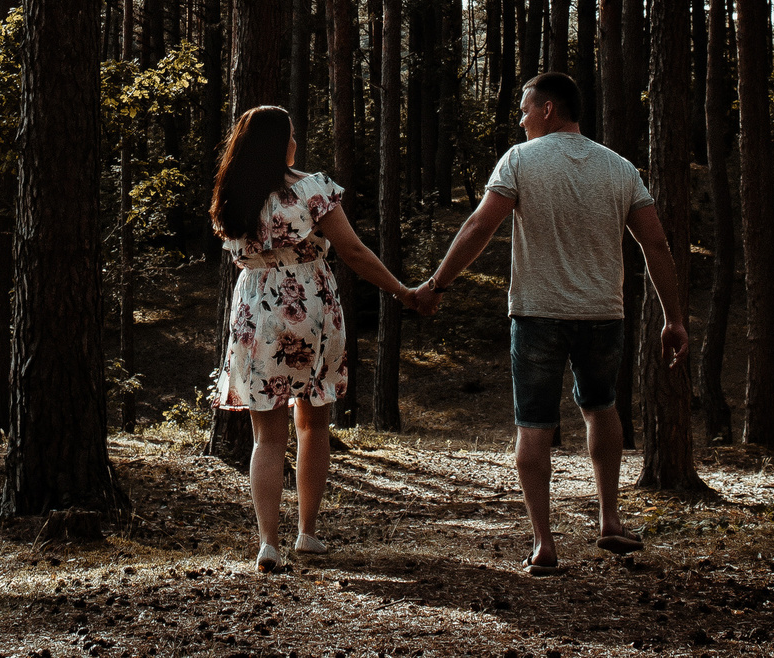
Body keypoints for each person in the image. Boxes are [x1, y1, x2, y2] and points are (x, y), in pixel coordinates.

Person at [417, 71, 688, 576]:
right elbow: (656, 244)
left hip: (538, 313)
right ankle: (609, 520)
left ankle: (544, 543)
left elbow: (480, 225)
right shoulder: (620, 168)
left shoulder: (519, 161)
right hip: (603, 314)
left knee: (534, 423)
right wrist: (673, 318)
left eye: (524, 110)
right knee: (602, 407)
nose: (519, 120)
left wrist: (436, 285)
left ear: (548, 110)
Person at [210, 104, 427, 572]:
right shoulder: (312, 188)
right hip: (307, 303)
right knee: (312, 423)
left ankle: (268, 543)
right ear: (281, 143)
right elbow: (351, 250)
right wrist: (402, 291)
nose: (296, 141)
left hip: (254, 310)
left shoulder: (232, 196)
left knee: (266, 436)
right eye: (291, 134)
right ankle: (307, 532)